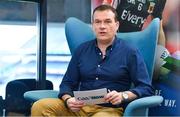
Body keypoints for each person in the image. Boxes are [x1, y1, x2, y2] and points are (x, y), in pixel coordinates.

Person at [31, 5, 154, 116]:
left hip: (109, 110)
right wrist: (68, 100)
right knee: (40, 106)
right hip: (79, 108)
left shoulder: (130, 52)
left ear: (116, 25)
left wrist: (123, 95)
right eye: (97, 22)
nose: (102, 26)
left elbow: (145, 88)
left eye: (107, 22)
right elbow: (67, 84)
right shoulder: (82, 50)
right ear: (93, 25)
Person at [102, 0, 167, 46]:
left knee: (170, 64)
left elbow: (159, 30)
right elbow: (103, 18)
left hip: (135, 44)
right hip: (113, 41)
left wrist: (161, 50)